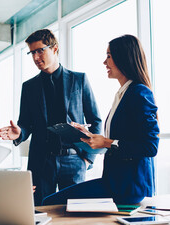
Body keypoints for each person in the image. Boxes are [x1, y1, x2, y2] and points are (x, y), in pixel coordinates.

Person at [42, 34, 160, 205]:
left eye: (109, 56)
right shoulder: (123, 94)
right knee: (51, 202)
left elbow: (150, 147)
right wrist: (88, 135)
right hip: (114, 182)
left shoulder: (139, 93)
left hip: (128, 187)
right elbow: (121, 140)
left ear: (124, 58)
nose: (105, 62)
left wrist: (106, 142)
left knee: (51, 203)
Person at [0, 29, 102, 205]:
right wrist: (19, 133)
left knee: (74, 215)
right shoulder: (29, 87)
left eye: (40, 50)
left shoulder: (79, 80)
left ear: (54, 49)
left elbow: (96, 120)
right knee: (39, 210)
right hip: (41, 161)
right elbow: (26, 124)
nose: (36, 57)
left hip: (74, 159)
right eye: (32, 53)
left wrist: (87, 158)